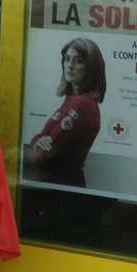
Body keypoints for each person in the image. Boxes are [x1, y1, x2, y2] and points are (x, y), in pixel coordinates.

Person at [24, 37, 106, 187]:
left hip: (62, 189)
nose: (69, 65)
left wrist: (37, 146)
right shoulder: (72, 100)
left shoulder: (83, 105)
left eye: (78, 61)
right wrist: (38, 142)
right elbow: (41, 137)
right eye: (67, 59)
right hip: (56, 186)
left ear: (92, 67)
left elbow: (43, 157)